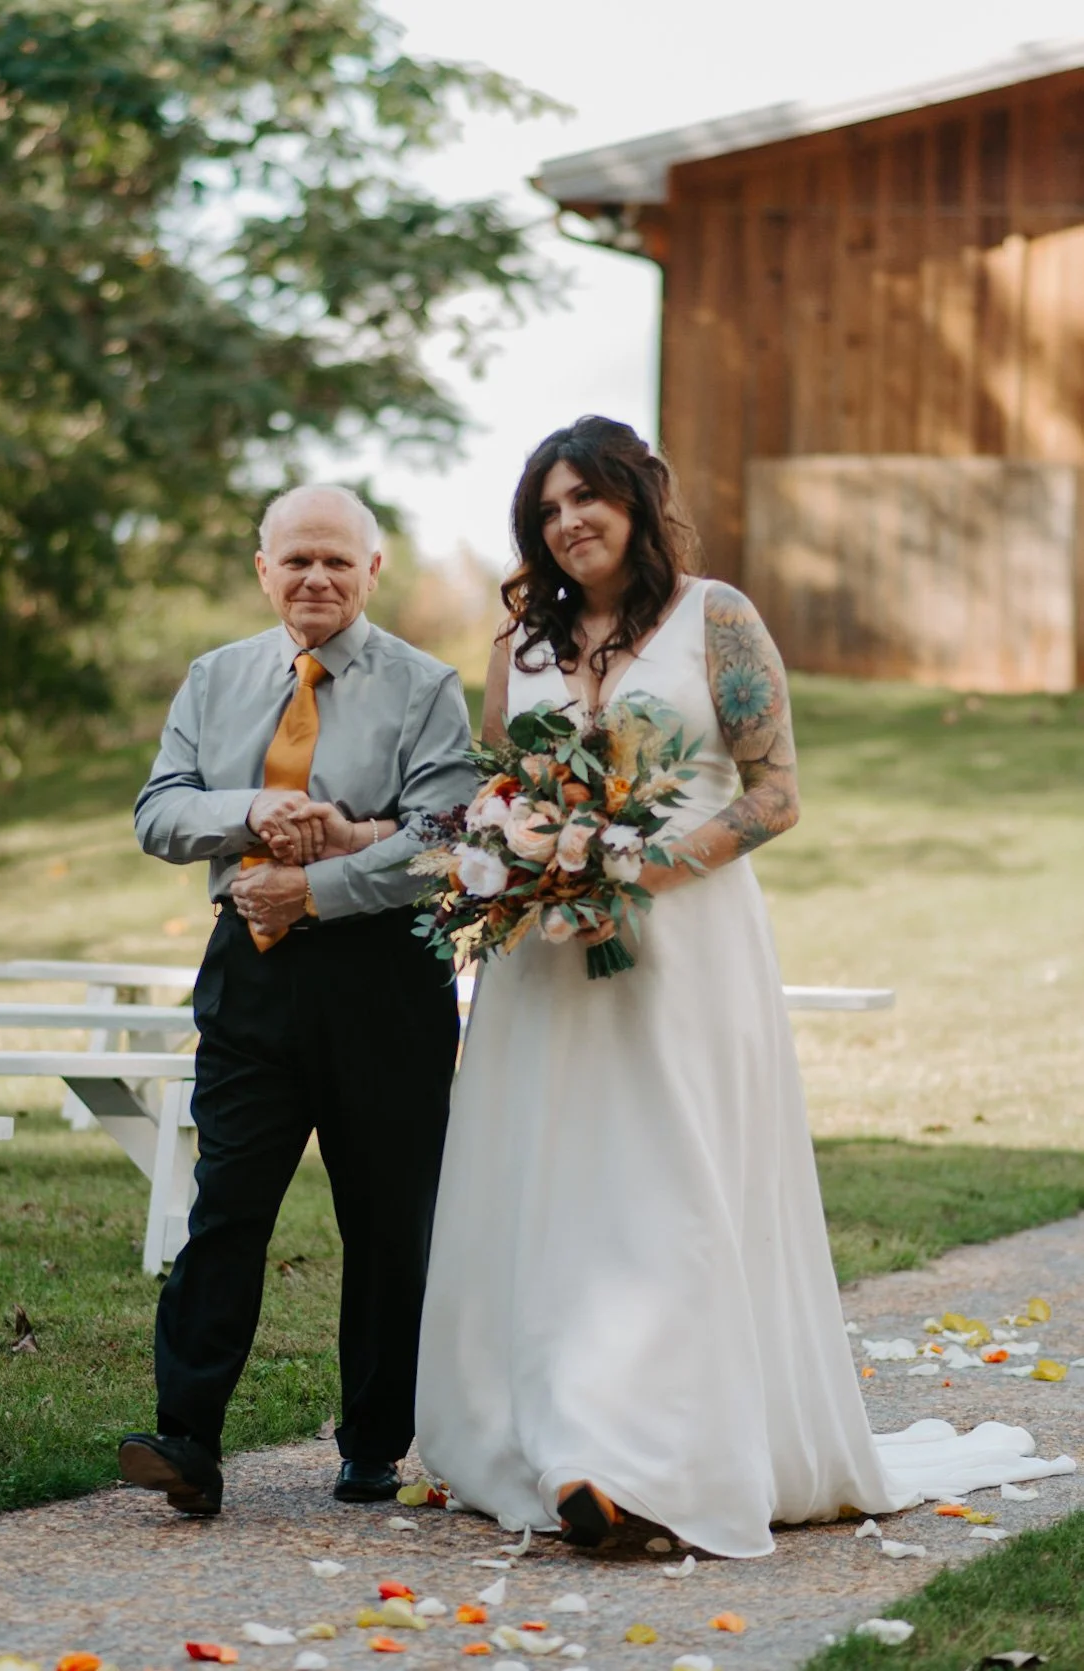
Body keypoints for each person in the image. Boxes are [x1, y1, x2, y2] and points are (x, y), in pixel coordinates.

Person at [415, 416, 1073, 1556]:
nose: (568, 521)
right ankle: (552, 1436)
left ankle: (652, 1455)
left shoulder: (714, 619)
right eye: (548, 506)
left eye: (587, 497)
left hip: (684, 948)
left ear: (635, 497)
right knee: (550, 1182)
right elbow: (501, 788)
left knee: (670, 1182)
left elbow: (774, 792)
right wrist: (519, 854)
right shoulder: (520, 646)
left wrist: (638, 863)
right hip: (543, 963)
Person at [120, 484, 475, 1516]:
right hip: (250, 976)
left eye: (336, 562)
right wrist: (251, 809)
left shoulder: (423, 686)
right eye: (295, 560)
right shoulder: (216, 677)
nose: (314, 579)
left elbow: (445, 839)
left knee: (385, 1217)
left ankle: (372, 1443)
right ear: (262, 569)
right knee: (225, 1205)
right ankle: (185, 1438)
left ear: (372, 573)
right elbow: (159, 809)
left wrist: (313, 889)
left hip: (386, 983)